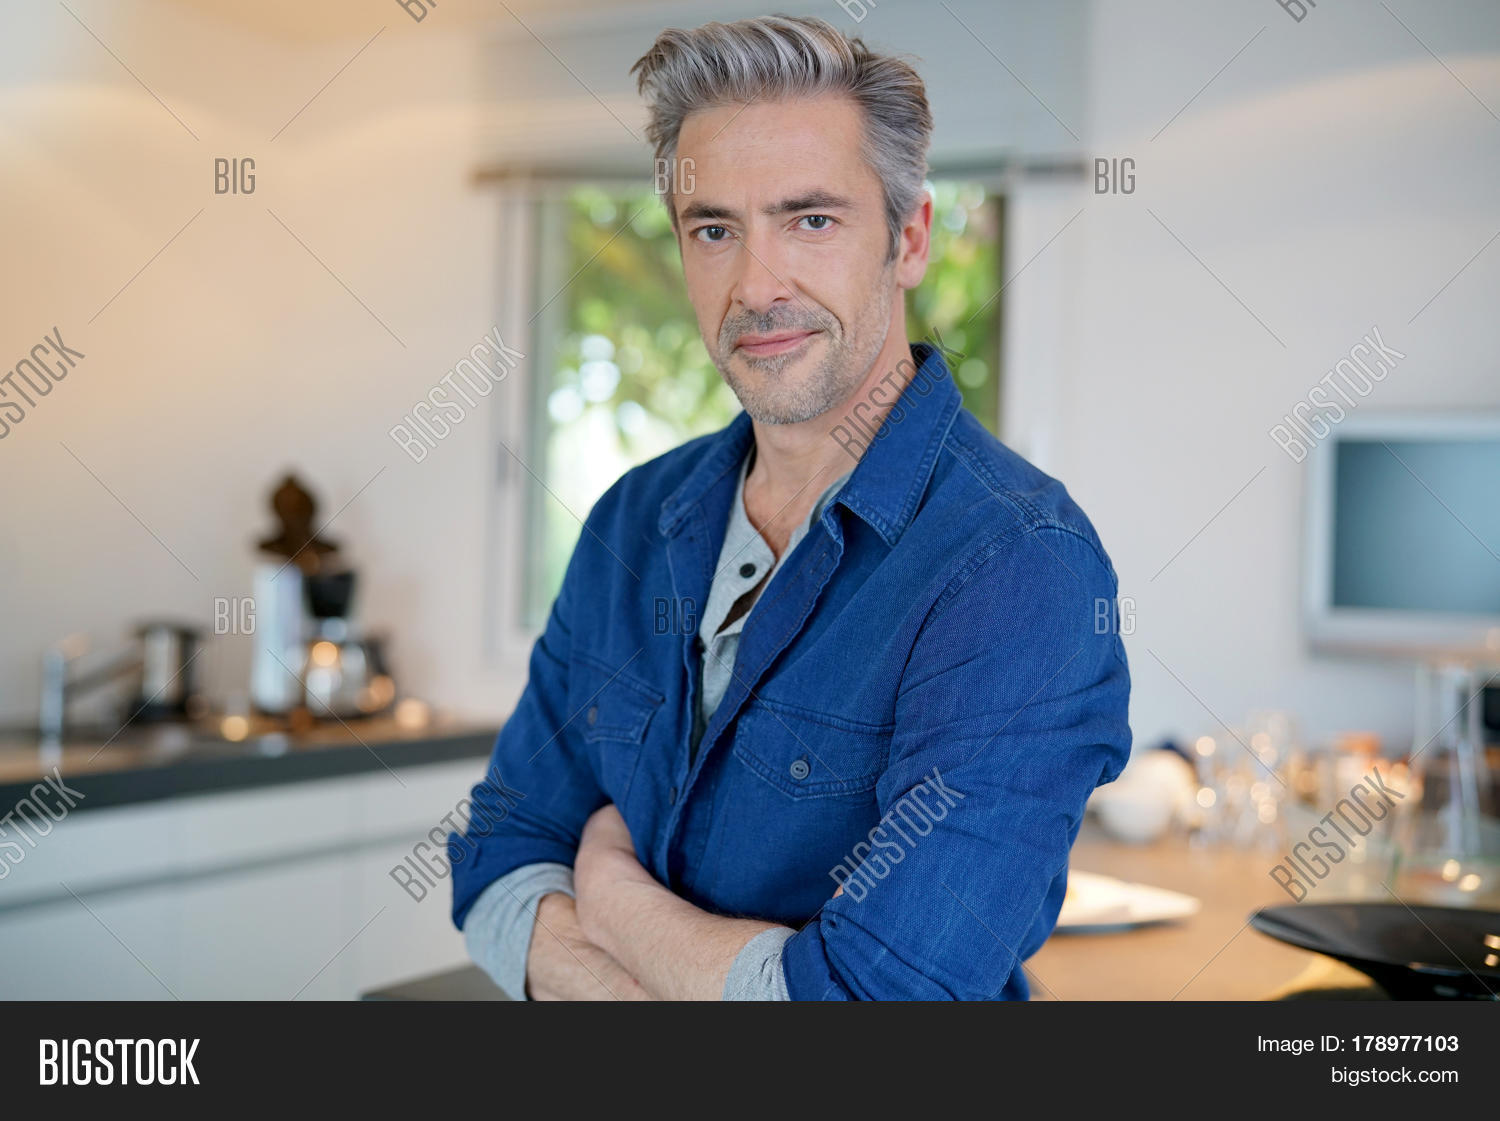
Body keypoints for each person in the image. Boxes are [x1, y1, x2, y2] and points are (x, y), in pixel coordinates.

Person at [449, 14, 1130, 1001]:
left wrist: (606, 886)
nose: (755, 285)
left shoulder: (1021, 568)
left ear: (910, 238)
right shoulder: (633, 521)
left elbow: (868, 1002)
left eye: (810, 219)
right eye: (714, 228)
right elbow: (496, 856)